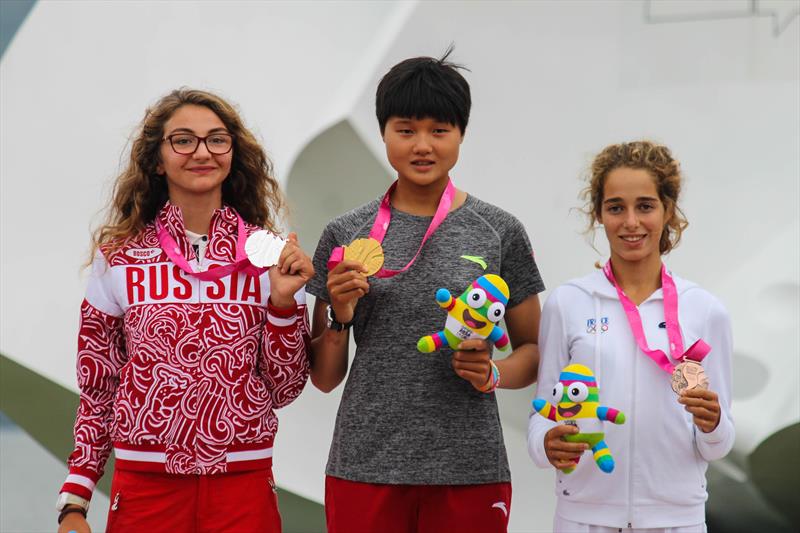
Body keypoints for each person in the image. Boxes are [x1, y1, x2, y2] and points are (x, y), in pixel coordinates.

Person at [307, 49, 545, 533]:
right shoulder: (345, 232)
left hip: (469, 469)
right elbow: (325, 377)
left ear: (461, 133)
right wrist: (340, 316)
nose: (423, 145)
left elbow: (536, 352)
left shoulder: (498, 230)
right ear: (383, 132)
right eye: (406, 129)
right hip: (366, 464)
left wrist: (492, 374)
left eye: (440, 130)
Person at [56, 88, 314, 533]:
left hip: (242, 488)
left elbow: (285, 387)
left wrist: (283, 305)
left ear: (233, 154)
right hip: (145, 491)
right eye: (183, 140)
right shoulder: (118, 256)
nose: (202, 152)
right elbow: (99, 387)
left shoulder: (270, 255)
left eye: (217, 139)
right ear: (158, 159)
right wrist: (75, 501)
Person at [527, 141, 734, 532]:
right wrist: (546, 444)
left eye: (645, 206)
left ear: (668, 210)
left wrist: (714, 423)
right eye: (616, 207)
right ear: (599, 215)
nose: (631, 222)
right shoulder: (568, 302)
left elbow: (719, 443)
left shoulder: (705, 310)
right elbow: (542, 412)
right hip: (583, 518)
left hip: (676, 520)